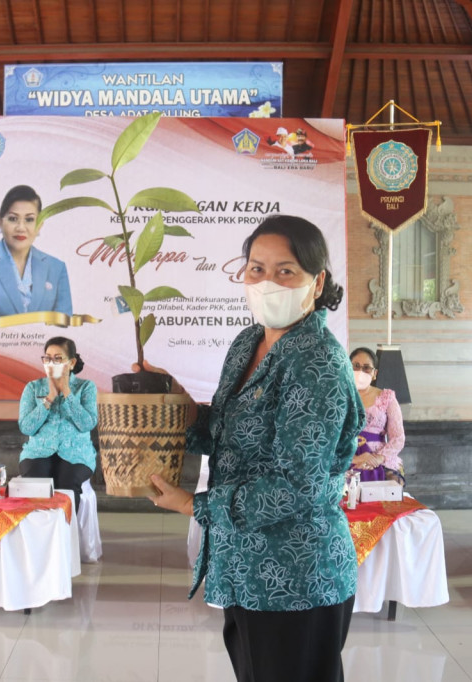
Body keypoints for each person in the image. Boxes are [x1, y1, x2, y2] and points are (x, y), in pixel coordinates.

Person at [149, 215, 364, 682]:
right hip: (245, 567)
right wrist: (175, 406)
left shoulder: (319, 362)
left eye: (286, 271)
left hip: (297, 576)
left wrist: (191, 504)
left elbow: (296, 486)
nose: (268, 283)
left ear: (317, 282)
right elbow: (228, 435)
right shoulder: (249, 342)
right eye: (256, 269)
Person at [0, 185, 73, 318]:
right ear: (0, 222)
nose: (21, 228)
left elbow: (65, 325)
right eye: (13, 219)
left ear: (40, 225)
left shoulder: (57, 268)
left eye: (29, 219)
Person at [17, 336, 97, 512]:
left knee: (66, 484)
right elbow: (26, 427)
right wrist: (50, 398)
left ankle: (66, 528)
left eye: (58, 358)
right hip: (38, 451)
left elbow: (87, 424)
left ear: (71, 362)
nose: (51, 363)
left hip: (76, 453)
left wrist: (67, 392)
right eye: (47, 358)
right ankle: (39, 530)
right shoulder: (33, 387)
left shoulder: (86, 387)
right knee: (35, 483)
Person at [349, 347, 405, 484]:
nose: (360, 371)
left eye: (366, 368)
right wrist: (355, 459)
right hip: (347, 456)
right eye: (356, 366)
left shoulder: (387, 397)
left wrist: (378, 458)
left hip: (379, 458)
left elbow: (398, 438)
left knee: (393, 484)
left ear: (374, 373)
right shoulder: (337, 397)